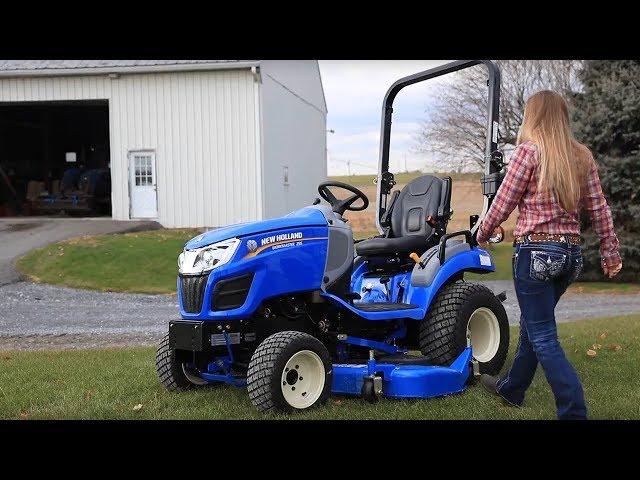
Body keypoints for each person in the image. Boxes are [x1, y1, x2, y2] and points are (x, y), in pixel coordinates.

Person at [476, 90, 623, 420]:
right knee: (534, 326)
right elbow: (600, 210)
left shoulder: (528, 152)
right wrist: (610, 252)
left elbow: (503, 203)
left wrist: (481, 234)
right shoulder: (582, 155)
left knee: (543, 337)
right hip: (570, 256)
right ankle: (512, 389)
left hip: (536, 253)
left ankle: (573, 410)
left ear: (534, 116)